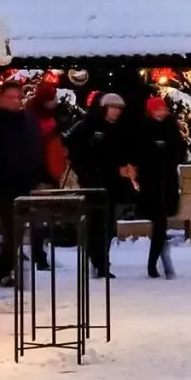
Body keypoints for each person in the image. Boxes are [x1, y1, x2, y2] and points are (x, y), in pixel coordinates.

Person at [0, 77, 44, 287]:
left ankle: (11, 268)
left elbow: (36, 149)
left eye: (18, 97)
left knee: (20, 227)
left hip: (27, 182)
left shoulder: (28, 121)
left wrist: (39, 176)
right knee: (12, 226)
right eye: (10, 97)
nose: (15, 101)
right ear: (0, 99)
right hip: (3, 184)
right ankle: (5, 271)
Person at [66, 92, 137, 278]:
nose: (117, 112)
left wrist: (127, 166)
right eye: (113, 108)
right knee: (97, 224)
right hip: (93, 183)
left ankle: (101, 260)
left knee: (107, 225)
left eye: (119, 108)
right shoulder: (88, 127)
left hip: (112, 185)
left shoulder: (120, 129)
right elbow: (85, 156)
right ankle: (98, 261)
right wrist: (114, 169)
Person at [134, 94, 185, 278]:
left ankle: (155, 263)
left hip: (167, 181)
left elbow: (180, 151)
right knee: (159, 223)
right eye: (157, 110)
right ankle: (155, 264)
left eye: (162, 109)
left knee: (161, 224)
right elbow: (140, 153)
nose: (160, 113)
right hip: (151, 183)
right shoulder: (144, 128)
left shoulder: (171, 127)